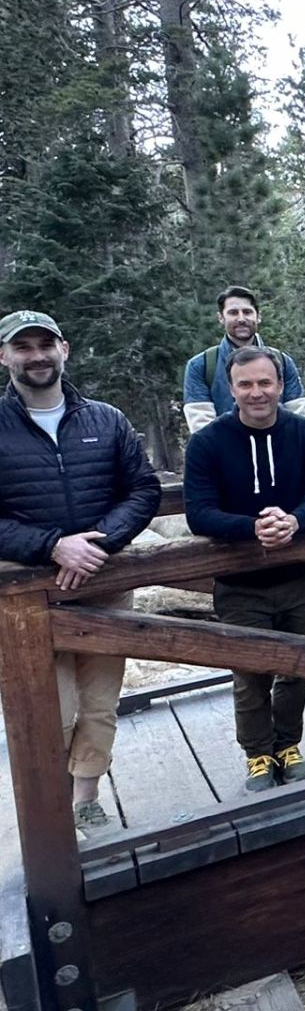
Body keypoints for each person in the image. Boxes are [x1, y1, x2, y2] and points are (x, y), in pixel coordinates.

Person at [0, 310, 161, 831]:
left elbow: (142, 490)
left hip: (103, 589)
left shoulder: (106, 419)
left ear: (64, 349)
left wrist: (99, 544)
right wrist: (53, 546)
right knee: (50, 710)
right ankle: (47, 813)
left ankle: (85, 799)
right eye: (22, 347)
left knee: (98, 705)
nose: (36, 355)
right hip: (30, 599)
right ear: (4, 357)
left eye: (45, 344)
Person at [184, 346, 305, 792]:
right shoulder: (207, 442)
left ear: (280, 385)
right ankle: (258, 754)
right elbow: (199, 513)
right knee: (250, 674)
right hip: (238, 583)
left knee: (298, 667)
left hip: (300, 576)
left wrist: (295, 521)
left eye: (264, 382)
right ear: (231, 388)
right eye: (245, 384)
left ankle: (288, 745)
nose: (256, 393)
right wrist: (253, 528)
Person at [183, 285, 305, 435]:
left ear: (258, 316)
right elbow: (201, 427)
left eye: (247, 312)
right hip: (225, 454)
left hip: (278, 452)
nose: (241, 319)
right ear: (221, 318)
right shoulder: (201, 366)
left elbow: (300, 418)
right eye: (233, 313)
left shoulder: (283, 361)